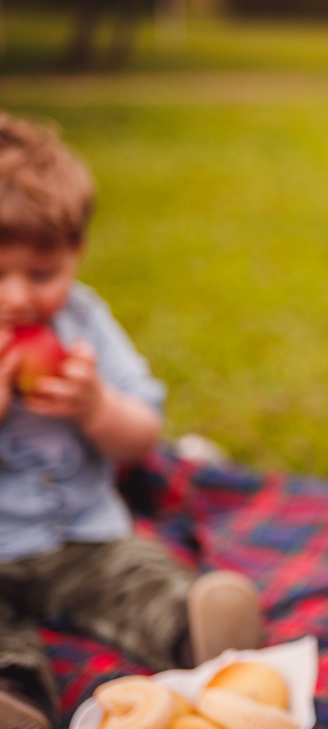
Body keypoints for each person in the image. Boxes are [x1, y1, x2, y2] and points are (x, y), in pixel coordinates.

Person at [0, 113, 262, 729]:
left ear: (75, 254)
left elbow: (144, 431)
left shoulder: (84, 323)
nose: (17, 296)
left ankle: (198, 633)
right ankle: (17, 698)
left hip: (88, 538)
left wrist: (97, 408)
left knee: (141, 573)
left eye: (41, 274)